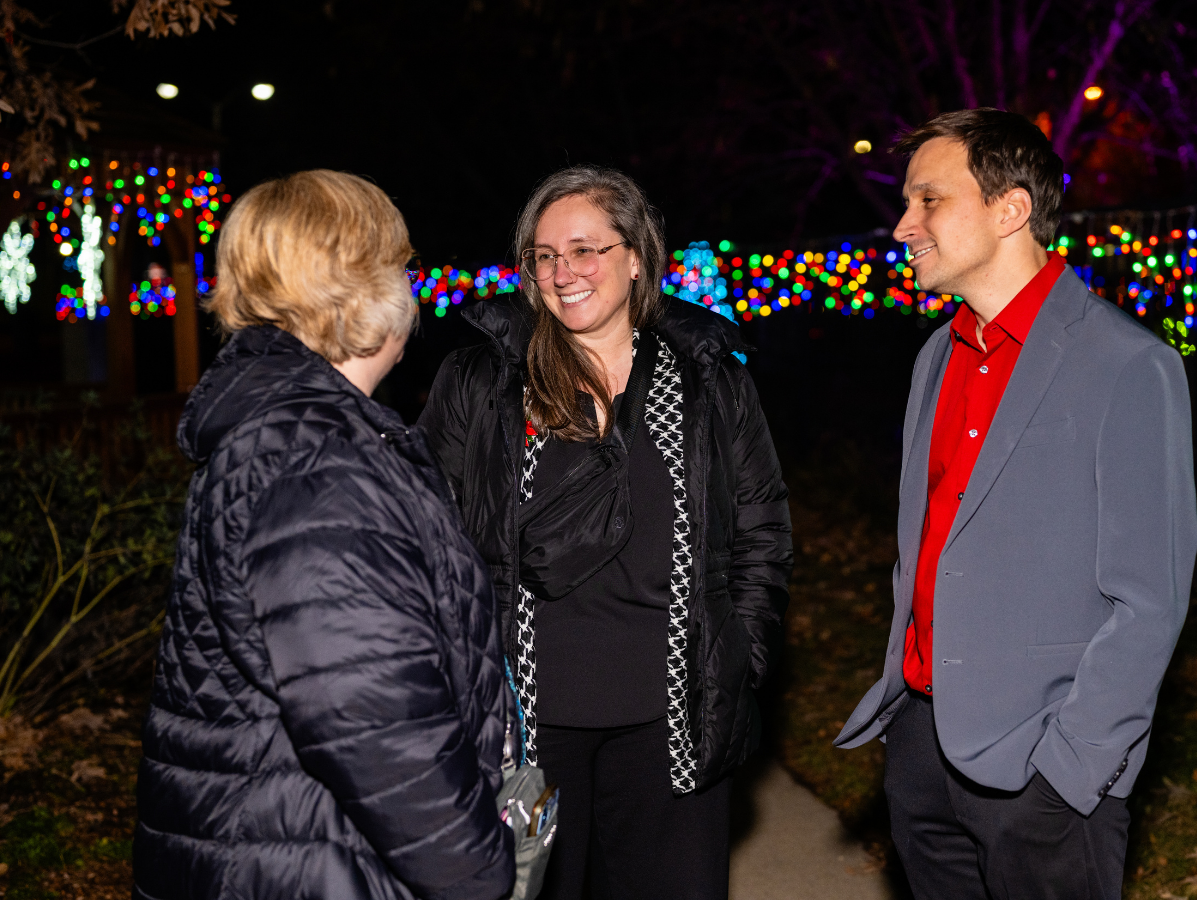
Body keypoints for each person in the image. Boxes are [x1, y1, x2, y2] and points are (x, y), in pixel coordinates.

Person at [835, 108, 1197, 899]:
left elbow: (1150, 601)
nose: (903, 226)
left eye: (928, 200)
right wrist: (906, 723)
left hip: (1044, 774)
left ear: (1011, 210)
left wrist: (1070, 768)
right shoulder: (937, 354)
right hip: (925, 747)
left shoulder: (1130, 365)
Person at [132, 170, 515, 900]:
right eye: (401, 267)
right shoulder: (315, 461)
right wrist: (479, 872)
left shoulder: (301, 433)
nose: (413, 286)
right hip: (312, 864)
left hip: (295, 846)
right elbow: (370, 714)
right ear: (359, 285)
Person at [419, 166, 792, 900]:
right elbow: (431, 536)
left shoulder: (707, 378)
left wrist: (739, 659)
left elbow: (762, 529)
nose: (564, 273)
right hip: (525, 731)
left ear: (635, 256)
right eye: (545, 256)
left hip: (672, 724)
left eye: (585, 250)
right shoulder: (485, 379)